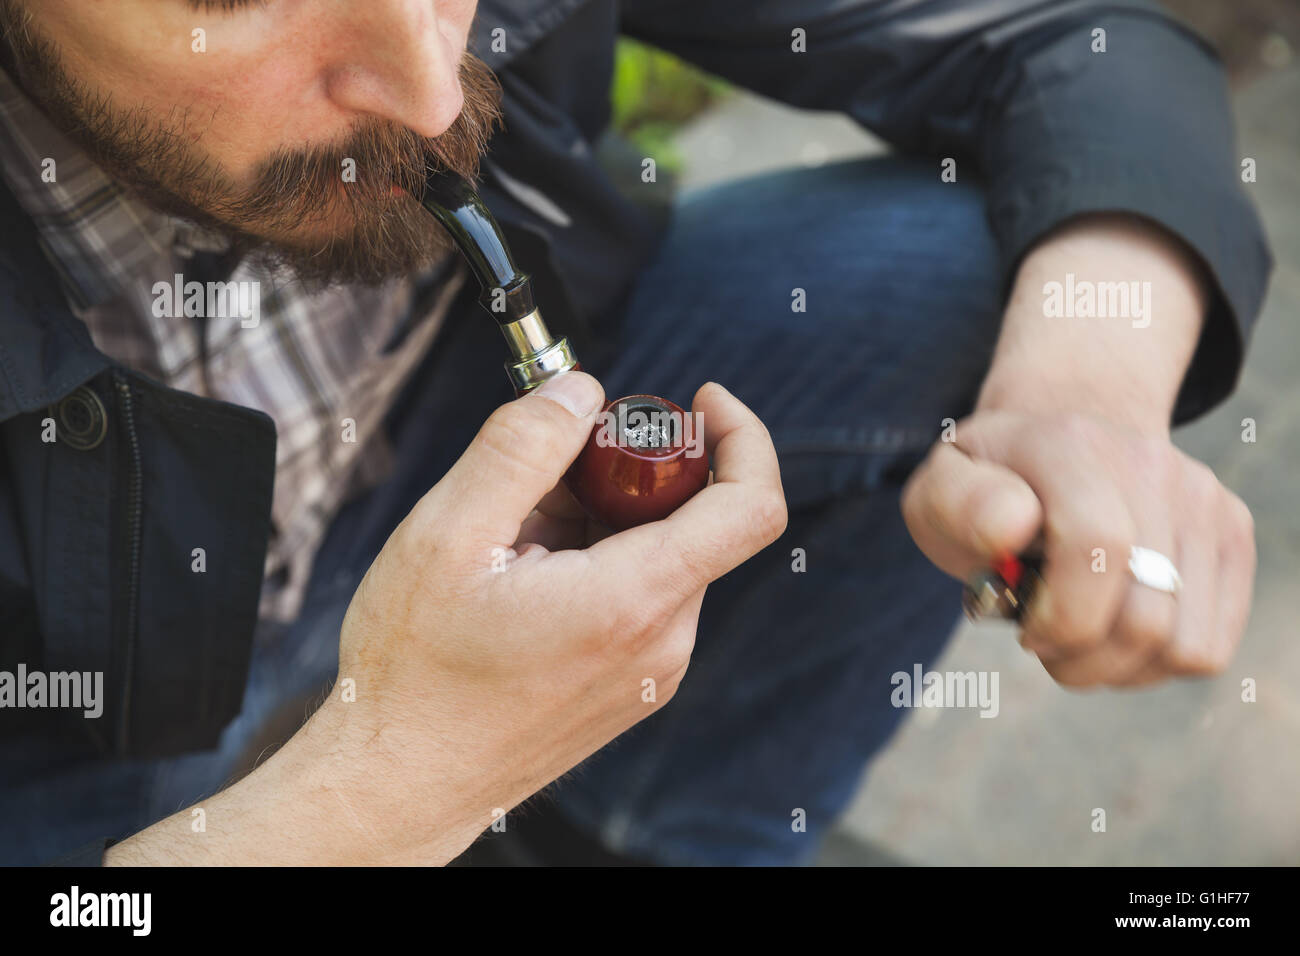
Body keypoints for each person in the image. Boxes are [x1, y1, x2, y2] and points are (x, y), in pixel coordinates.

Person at [0, 0, 1270, 866]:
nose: (434, 92)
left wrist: (1079, 399)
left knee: (958, 273)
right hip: (62, 728)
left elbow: (1073, 42)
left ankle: (633, 831)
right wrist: (375, 794)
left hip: (404, 462)